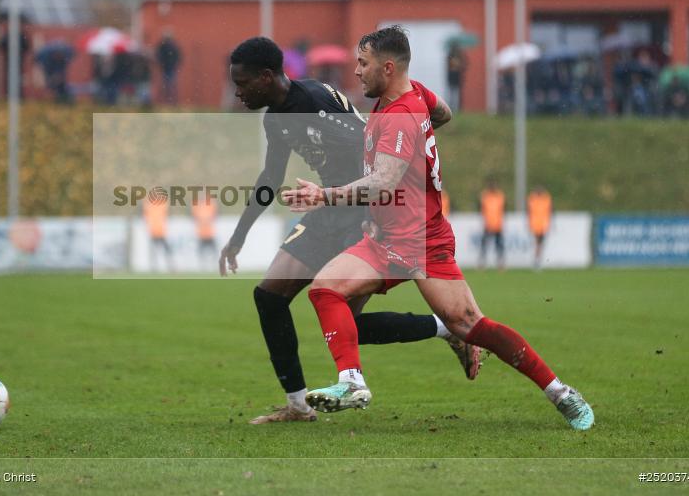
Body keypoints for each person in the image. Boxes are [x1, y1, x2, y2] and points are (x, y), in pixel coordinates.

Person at [283, 26, 594, 430]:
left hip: (421, 241)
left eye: (363, 64)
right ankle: (352, 381)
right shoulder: (416, 95)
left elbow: (382, 183)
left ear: (388, 67)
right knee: (327, 292)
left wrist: (324, 195)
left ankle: (561, 393)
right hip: (383, 238)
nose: (356, 72)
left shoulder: (398, 118)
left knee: (473, 324)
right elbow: (443, 112)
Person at [221, 37, 480, 425]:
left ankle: (446, 328)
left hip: (359, 210)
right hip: (327, 211)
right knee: (269, 296)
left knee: (349, 324)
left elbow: (368, 145)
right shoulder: (276, 117)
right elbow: (270, 177)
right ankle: (297, 405)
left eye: (242, 84)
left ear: (266, 76)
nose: (238, 93)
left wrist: (375, 212)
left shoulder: (312, 102)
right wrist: (238, 236)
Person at [478, 177, 505, 270]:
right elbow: (482, 210)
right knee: (484, 246)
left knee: (499, 246)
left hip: (498, 225)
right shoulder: (485, 196)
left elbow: (503, 210)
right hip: (488, 225)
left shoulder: (500, 196)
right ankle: (482, 264)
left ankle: (500, 264)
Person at [143, 193, 174, 272]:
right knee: (154, 251)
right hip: (153, 232)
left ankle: (170, 266)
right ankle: (154, 267)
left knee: (166, 250)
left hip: (161, 232)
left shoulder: (161, 205)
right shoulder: (149, 206)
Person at [527, 186, 552, 270]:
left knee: (539, 244)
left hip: (543, 225)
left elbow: (550, 211)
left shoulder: (546, 199)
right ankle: (536, 261)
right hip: (535, 225)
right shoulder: (532, 199)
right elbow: (529, 211)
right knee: (537, 244)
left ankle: (537, 261)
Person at [191, 194, 218, 271]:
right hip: (201, 233)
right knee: (201, 251)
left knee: (213, 250)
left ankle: (215, 264)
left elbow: (215, 213)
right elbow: (194, 216)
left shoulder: (210, 205)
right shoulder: (197, 206)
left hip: (210, 233)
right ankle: (202, 265)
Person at [155, 30, 182, 105]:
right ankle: (168, 100)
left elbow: (178, 56)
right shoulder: (167, 46)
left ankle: (169, 100)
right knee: (168, 84)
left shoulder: (165, 46)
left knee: (168, 84)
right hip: (167, 68)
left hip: (169, 68)